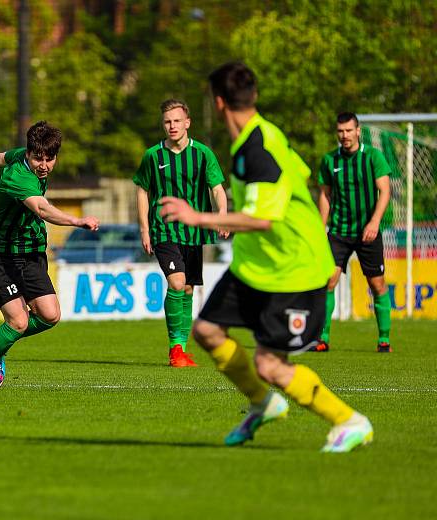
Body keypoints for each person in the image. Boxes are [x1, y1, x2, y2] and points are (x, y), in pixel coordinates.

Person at [160, 62, 373, 452]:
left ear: (218, 102)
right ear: (253, 97)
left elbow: (261, 218)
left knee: (270, 365)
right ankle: (264, 403)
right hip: (256, 266)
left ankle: (350, 421)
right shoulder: (259, 139)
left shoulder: (257, 148)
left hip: (293, 268)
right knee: (206, 331)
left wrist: (197, 217)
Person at [0, 121, 99, 374]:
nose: (44, 166)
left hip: (26, 250)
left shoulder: (21, 157)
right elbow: (41, 208)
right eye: (38, 159)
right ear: (29, 153)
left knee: (50, 315)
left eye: (50, 159)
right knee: (19, 321)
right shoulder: (17, 176)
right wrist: (77, 220)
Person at [133, 98, 228, 368]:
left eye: (176, 121)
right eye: (167, 122)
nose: (172, 126)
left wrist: (222, 214)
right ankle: (175, 349)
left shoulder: (203, 154)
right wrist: (145, 228)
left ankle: (183, 349)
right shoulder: (153, 155)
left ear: (187, 123)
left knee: (187, 288)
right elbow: (142, 189)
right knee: (176, 282)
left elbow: (217, 188)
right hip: (164, 229)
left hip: (194, 232)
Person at [311, 112, 392, 353]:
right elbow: (325, 195)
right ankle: (322, 338)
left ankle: (384, 339)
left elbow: (385, 191)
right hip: (339, 231)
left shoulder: (373, 157)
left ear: (358, 131)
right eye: (340, 131)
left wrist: (374, 222)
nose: (344, 135)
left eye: (348, 130)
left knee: (377, 284)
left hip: (368, 230)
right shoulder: (329, 161)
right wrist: (319, 228)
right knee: (329, 280)